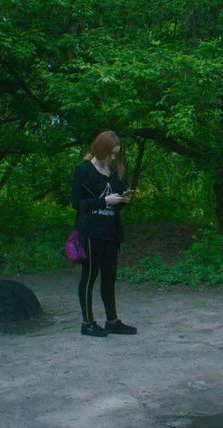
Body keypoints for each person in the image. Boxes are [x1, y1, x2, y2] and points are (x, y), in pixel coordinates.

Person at [71, 130, 137, 337]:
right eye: (111, 153)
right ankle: (88, 322)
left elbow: (116, 205)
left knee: (110, 277)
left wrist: (123, 201)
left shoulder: (116, 172)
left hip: (111, 231)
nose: (114, 157)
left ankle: (112, 321)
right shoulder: (84, 170)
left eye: (117, 153)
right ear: (101, 149)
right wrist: (103, 201)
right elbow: (77, 204)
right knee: (90, 277)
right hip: (91, 231)